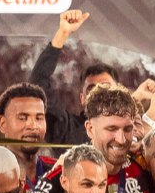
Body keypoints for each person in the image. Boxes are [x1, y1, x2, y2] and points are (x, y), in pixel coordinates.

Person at [27, 9, 117, 146]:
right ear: (82, 99)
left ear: (120, 94)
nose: (100, 94)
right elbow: (36, 88)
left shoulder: (136, 127)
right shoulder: (66, 130)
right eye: (92, 89)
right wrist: (63, 33)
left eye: (106, 88)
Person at [0, 83, 54, 189]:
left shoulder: (59, 172)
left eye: (39, 118)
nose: (33, 126)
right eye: (23, 118)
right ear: (2, 124)